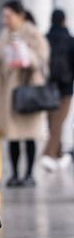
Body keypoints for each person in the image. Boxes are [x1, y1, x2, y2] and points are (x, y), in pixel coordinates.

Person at [0, 0, 51, 187]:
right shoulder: (4, 34)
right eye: (4, 16)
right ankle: (15, 174)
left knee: (30, 134)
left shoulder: (33, 33)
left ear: (20, 15)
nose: (5, 20)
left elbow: (42, 59)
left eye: (8, 16)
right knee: (13, 135)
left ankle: (29, 174)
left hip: (29, 90)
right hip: (9, 92)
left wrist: (26, 56)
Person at [42, 9, 74, 170]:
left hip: (49, 87)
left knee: (53, 122)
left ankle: (59, 155)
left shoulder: (45, 39)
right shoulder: (70, 40)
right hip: (66, 89)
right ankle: (48, 154)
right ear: (64, 21)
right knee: (58, 123)